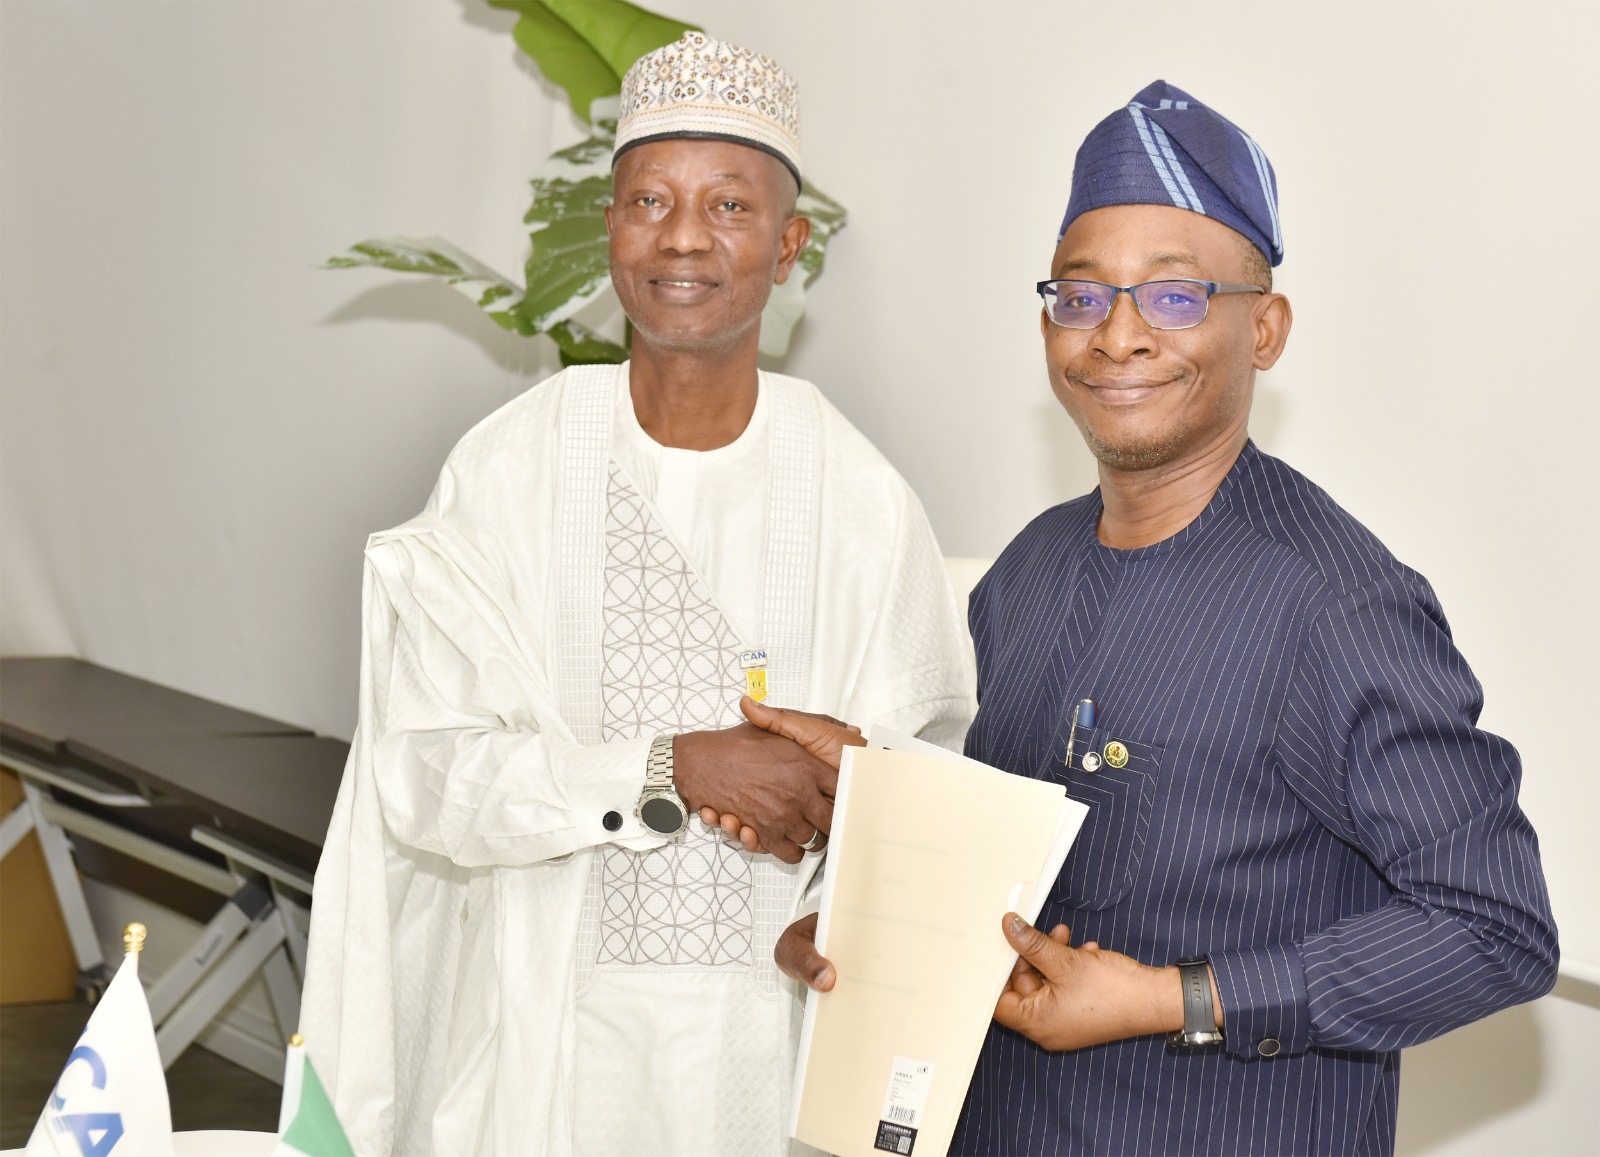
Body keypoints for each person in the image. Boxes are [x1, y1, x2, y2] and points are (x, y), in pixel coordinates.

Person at [767, 80, 1557, 1155]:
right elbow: (1025, 859)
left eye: (1175, 297)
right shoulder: (1031, 567)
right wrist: (874, 891)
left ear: (1264, 328)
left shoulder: (1334, 601)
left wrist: (1167, 997)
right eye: (1080, 296)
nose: (1117, 336)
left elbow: (1493, 928)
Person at [299, 32, 974, 1157]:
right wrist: (669, 765)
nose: (683, 238)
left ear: (788, 240)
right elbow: (420, 774)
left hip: (765, 1050)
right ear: (607, 225)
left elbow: (926, 770)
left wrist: (854, 843)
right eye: (649, 200)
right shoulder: (507, 465)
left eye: (728, 206)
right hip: (538, 1048)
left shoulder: (860, 495)